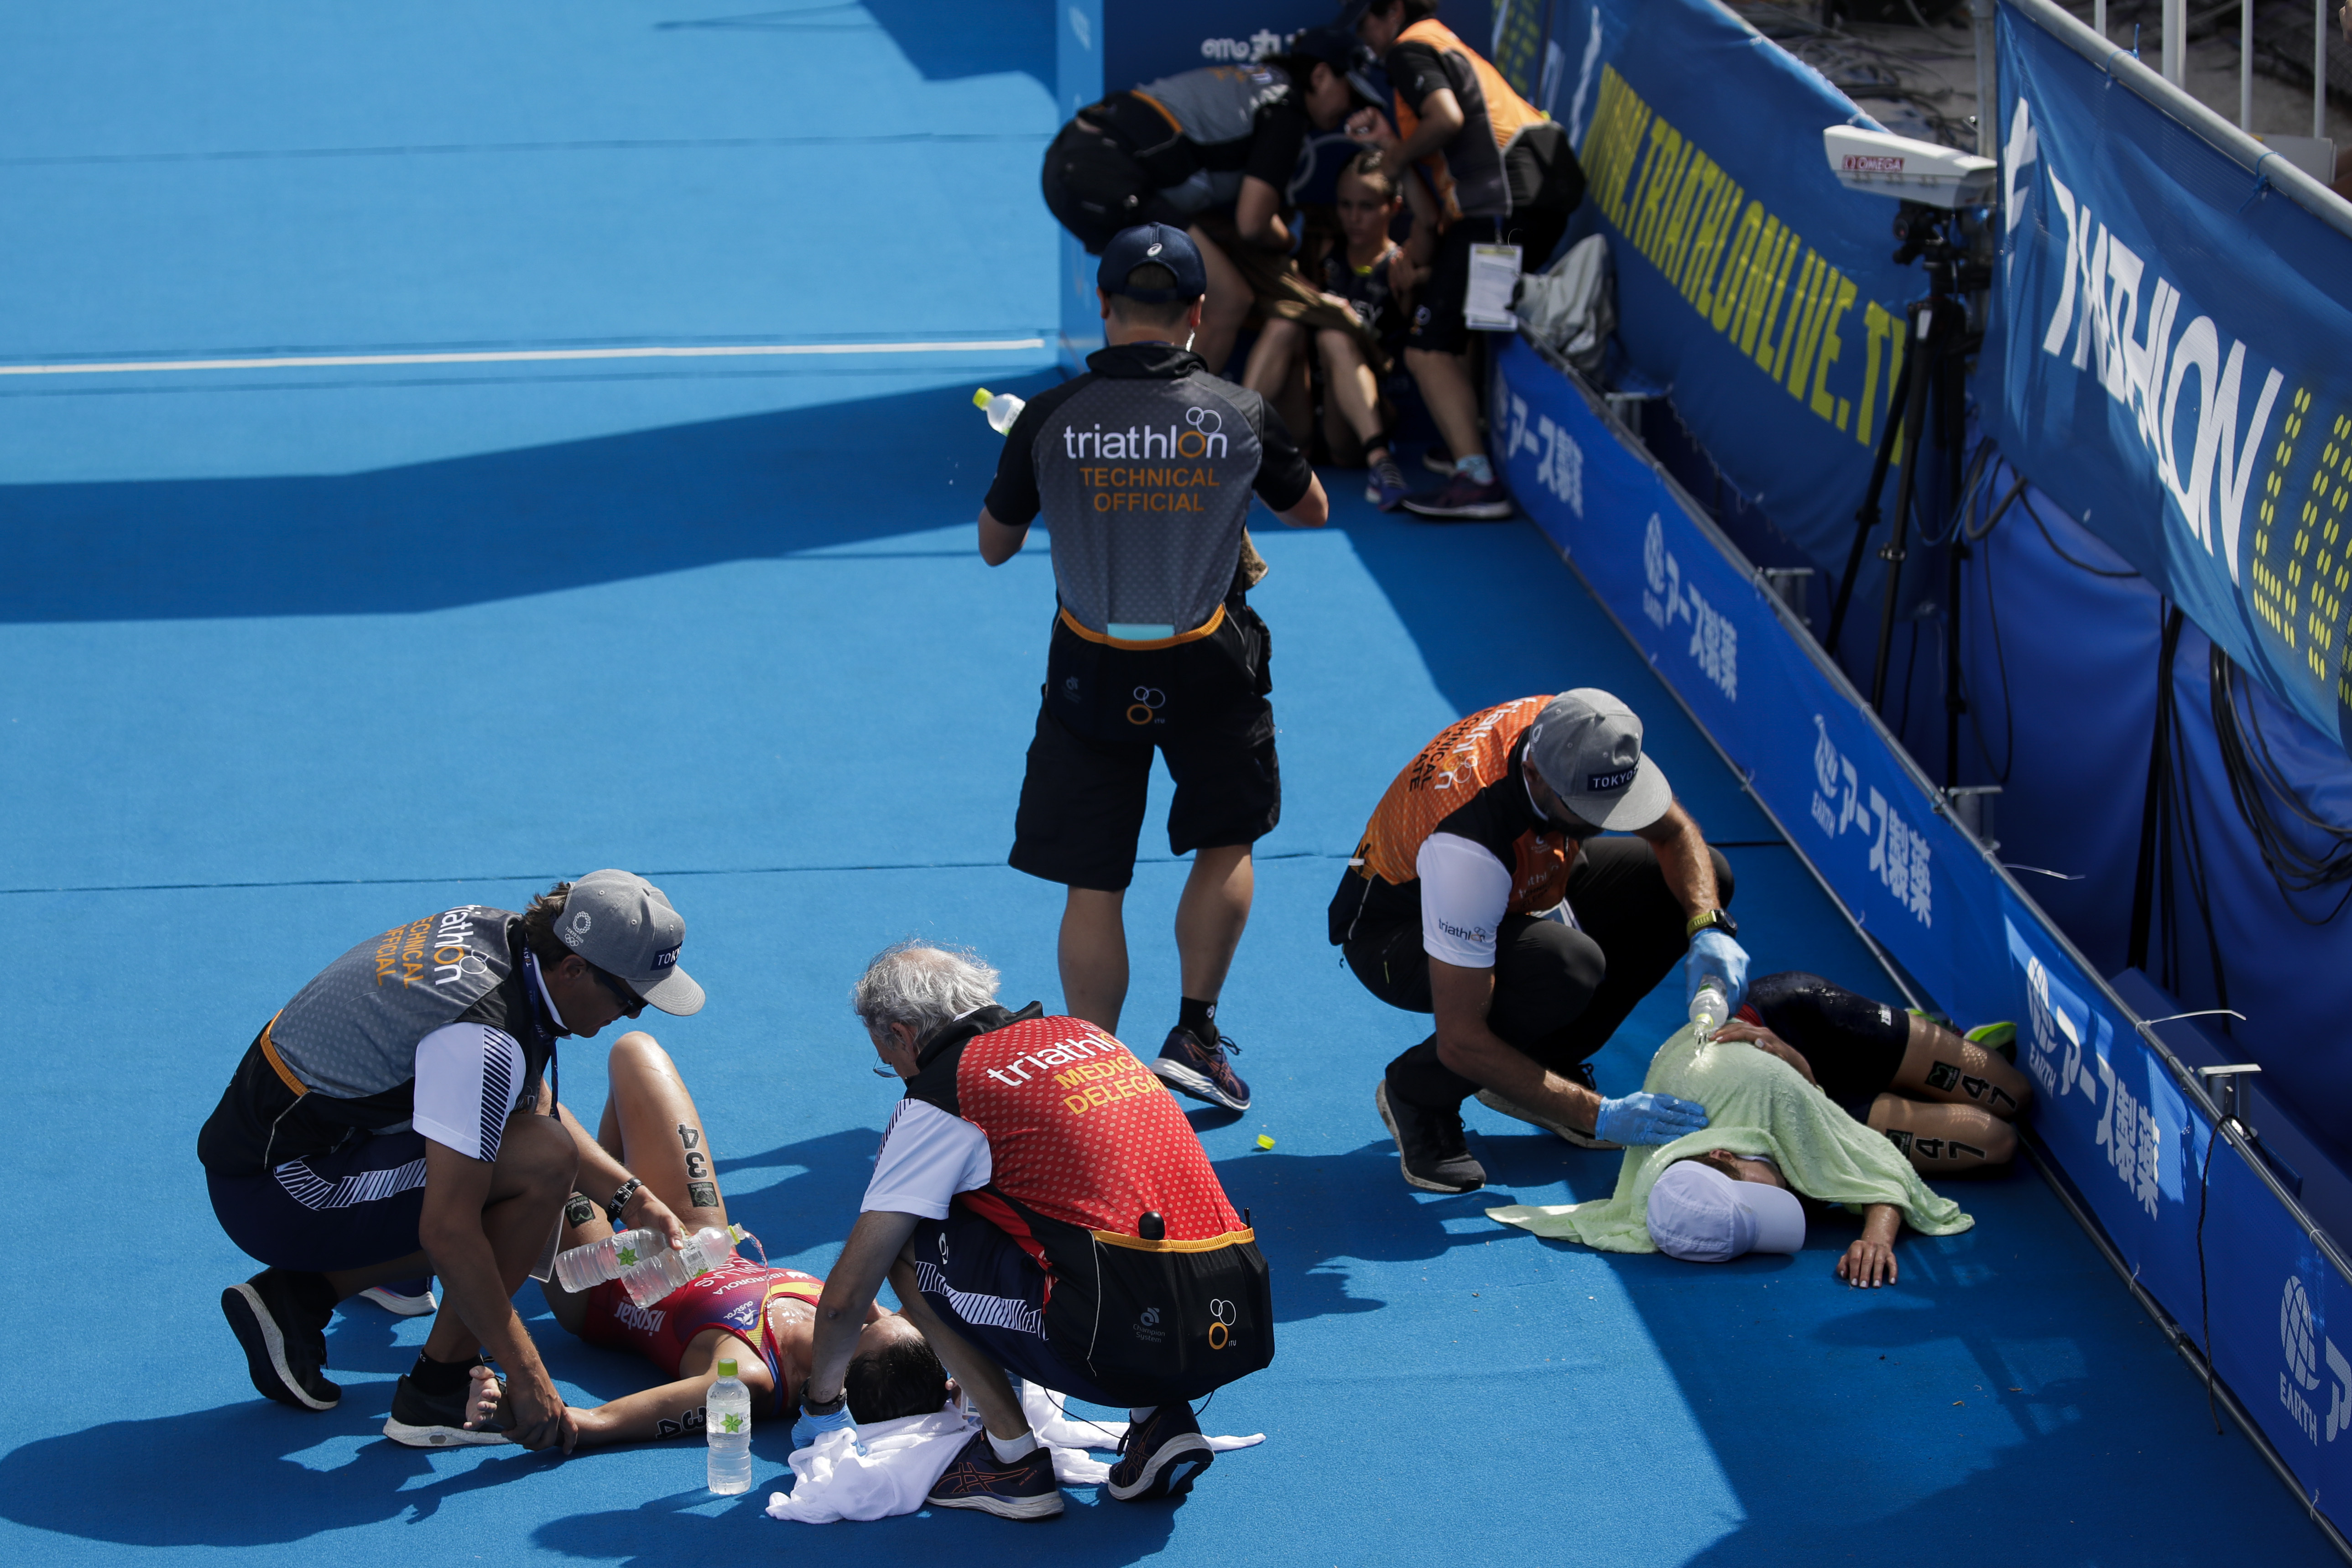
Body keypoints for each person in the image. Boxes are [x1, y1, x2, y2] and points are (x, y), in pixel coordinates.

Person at [979, 223, 1329, 1114]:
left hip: (1089, 672)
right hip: (1212, 664)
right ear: (1198, 312)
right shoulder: (1239, 412)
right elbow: (1313, 509)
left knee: (1094, 879)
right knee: (1226, 840)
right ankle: (1195, 1035)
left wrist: (1056, 474)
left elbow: (994, 544)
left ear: (1102, 303)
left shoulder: (1051, 418)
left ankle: (1095, 1072)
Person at [197, 870, 707, 1450]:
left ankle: (307, 1293)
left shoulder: (507, 940)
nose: (634, 1014)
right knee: (539, 1170)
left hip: (290, 1149)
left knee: (531, 1148)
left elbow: (526, 1101)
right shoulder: (484, 1037)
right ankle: (436, 1390)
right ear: (574, 969)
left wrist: (633, 1199)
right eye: (631, 999)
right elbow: (449, 1228)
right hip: (279, 1194)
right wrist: (528, 1372)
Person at [791, 943, 1274, 1521]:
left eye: (886, 1060)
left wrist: (821, 1407)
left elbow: (845, 1299)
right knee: (1093, 1218)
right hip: (1234, 1315)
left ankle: (1011, 1459)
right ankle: (1159, 1417)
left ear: (901, 1034)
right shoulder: (1085, 1034)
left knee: (904, 1246)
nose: (895, 1074)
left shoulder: (943, 1095)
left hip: (1114, 1339)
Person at [1330, 690, 1749, 1193]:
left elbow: (1674, 832)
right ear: (1534, 775)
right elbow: (1462, 1038)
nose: (1605, 821)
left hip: (1519, 878)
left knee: (1700, 881)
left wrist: (1707, 927)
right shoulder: (1467, 848)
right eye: (1588, 809)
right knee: (1562, 967)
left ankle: (1546, 1062)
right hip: (1396, 933)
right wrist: (1600, 1115)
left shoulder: (1586, 732)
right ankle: (1419, 1092)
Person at [460, 1030, 949, 1447]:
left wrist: (506, 1405)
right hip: (696, 1235)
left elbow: (596, 1422)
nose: (870, 1311)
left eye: (863, 1331)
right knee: (635, 1051)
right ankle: (592, 1180)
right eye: (884, 1319)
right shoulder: (874, 1339)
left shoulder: (745, 1378)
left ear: (831, 1384)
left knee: (530, 1109)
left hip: (598, 1281)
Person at [1487, 1017, 1976, 1287]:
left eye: (1754, 1200)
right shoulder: (1690, 1171)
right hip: (1803, 1090)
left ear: (1722, 1154)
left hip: (1790, 1034)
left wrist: (1878, 1237)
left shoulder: (1768, 1103)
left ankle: (1934, 1030)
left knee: (1993, 1137)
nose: (1778, 1201)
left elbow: (1883, 1166)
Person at [1343, 0, 1586, 520]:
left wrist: (1393, 156)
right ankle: (1468, 446)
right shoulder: (1439, 42)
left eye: (1364, 22)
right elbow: (1431, 213)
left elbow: (1447, 118)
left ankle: (1477, 477)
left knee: (1427, 349)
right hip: (1521, 205)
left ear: (1391, 11)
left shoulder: (1409, 48)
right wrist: (1392, 144)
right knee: (1469, 325)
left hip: (1503, 206)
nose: (1363, 37)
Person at [1040, 26, 1386, 373]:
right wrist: (1291, 239)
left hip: (1067, 161)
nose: (1350, 108)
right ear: (1320, 76)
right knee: (1230, 302)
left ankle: (1147, 400)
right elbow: (1253, 224)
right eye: (1350, 93)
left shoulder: (1263, 85)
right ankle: (1172, 408)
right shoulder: (1286, 111)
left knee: (1159, 304)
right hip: (1105, 174)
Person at [1241, 150, 1429, 509]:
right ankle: (1233, 442)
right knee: (1284, 322)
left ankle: (1381, 465)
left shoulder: (1400, 266)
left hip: (1355, 429)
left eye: (1367, 207)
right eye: (1345, 205)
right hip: (1300, 424)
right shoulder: (1321, 251)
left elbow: (1430, 224)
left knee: (1334, 336)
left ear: (1394, 207)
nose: (1353, 218)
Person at [1719, 970, 2029, 1174]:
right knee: (1995, 1142)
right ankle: (1909, 1085)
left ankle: (1920, 1044)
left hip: (1808, 1024)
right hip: (1816, 1108)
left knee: (2015, 1095)